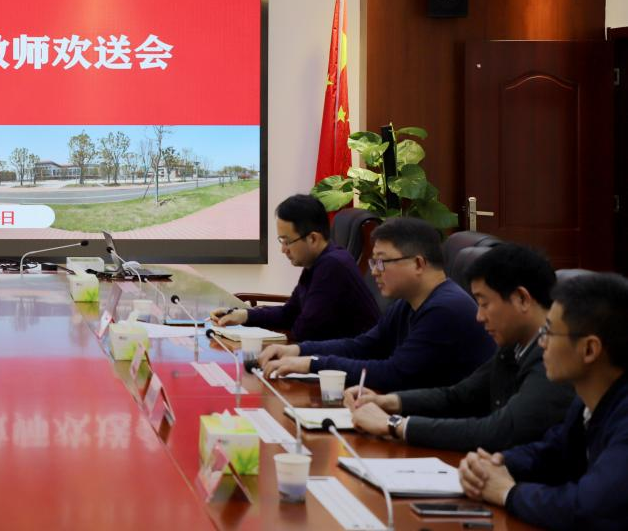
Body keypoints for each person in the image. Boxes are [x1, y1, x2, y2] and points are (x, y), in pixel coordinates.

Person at [345, 243, 573, 451]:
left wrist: (394, 424)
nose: (479, 316)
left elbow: (500, 430)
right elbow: (458, 397)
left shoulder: (555, 359)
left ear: (522, 299)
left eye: (484, 303)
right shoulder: (514, 346)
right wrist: (388, 402)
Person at [458, 272, 628, 530]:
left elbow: (591, 508)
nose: (542, 342)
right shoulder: (586, 401)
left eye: (548, 331)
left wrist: (508, 493)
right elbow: (553, 452)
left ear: (589, 349)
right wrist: (497, 463)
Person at [258, 217, 494, 391]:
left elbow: (394, 373)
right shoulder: (408, 303)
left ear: (418, 264)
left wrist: (312, 363)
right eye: (373, 263)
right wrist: (298, 350)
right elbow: (363, 346)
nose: (374, 272)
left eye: (382, 262)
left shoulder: (445, 310)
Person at [211, 194, 379, 341]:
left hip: (352, 363)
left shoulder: (332, 266)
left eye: (287, 241)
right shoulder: (316, 263)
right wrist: (243, 315)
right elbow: (289, 313)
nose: (283, 249)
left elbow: (304, 330)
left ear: (313, 239)